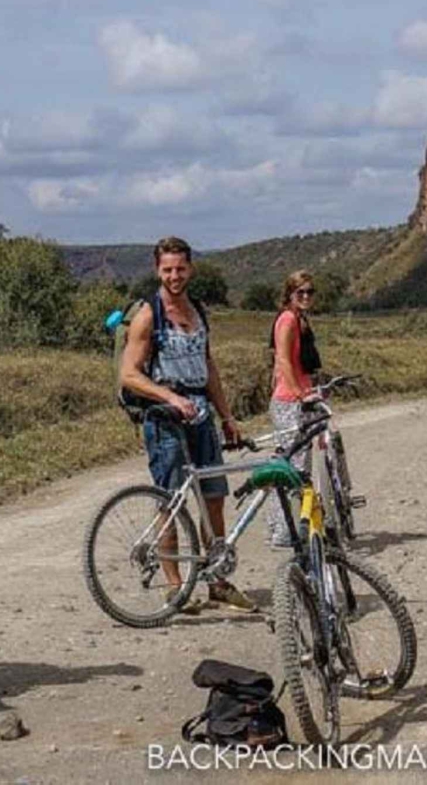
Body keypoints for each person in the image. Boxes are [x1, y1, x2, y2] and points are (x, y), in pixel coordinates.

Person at [118, 236, 256, 613]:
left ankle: (218, 581)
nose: (174, 276)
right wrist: (170, 397)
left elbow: (208, 367)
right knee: (171, 501)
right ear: (157, 270)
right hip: (165, 419)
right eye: (167, 270)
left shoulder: (197, 310)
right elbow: (129, 374)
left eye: (180, 268)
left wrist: (226, 416)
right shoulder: (149, 314)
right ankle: (175, 587)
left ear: (191, 268)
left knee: (214, 499)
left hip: (201, 414)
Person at [265, 270, 322, 548]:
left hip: (298, 397)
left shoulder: (300, 319)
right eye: (300, 292)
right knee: (292, 468)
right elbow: (284, 362)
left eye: (310, 292)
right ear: (289, 294)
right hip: (289, 402)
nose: (306, 297)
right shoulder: (287, 320)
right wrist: (300, 394)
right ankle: (283, 531)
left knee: (290, 463)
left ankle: (283, 525)